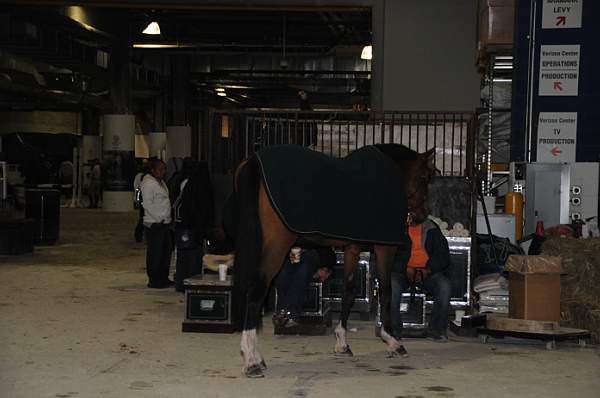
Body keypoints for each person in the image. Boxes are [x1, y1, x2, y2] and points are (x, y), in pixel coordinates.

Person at [391, 214, 452, 343]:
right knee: (392, 286)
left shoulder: (431, 228)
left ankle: (437, 330)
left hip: (427, 272)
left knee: (444, 286)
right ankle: (394, 330)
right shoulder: (397, 227)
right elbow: (389, 255)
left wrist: (428, 270)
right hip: (403, 272)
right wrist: (405, 268)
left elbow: (443, 255)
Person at [172, 159, 214, 292]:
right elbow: (201, 210)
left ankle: (181, 283)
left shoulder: (186, 183)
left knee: (182, 257)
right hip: (192, 228)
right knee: (193, 258)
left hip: (182, 226)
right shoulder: (199, 186)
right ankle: (191, 283)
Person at [273, 246, 335, 328]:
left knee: (302, 270)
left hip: (313, 253)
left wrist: (326, 269)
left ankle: (290, 313)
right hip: (291, 251)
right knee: (283, 273)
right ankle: (282, 311)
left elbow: (329, 253)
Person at [141, 159, 173, 289]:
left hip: (165, 222)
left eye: (164, 169)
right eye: (160, 169)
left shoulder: (161, 183)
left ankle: (163, 277)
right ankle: (154, 279)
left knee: (165, 252)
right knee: (156, 253)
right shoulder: (148, 184)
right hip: (155, 223)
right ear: (152, 170)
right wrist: (159, 218)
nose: (163, 172)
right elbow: (147, 204)